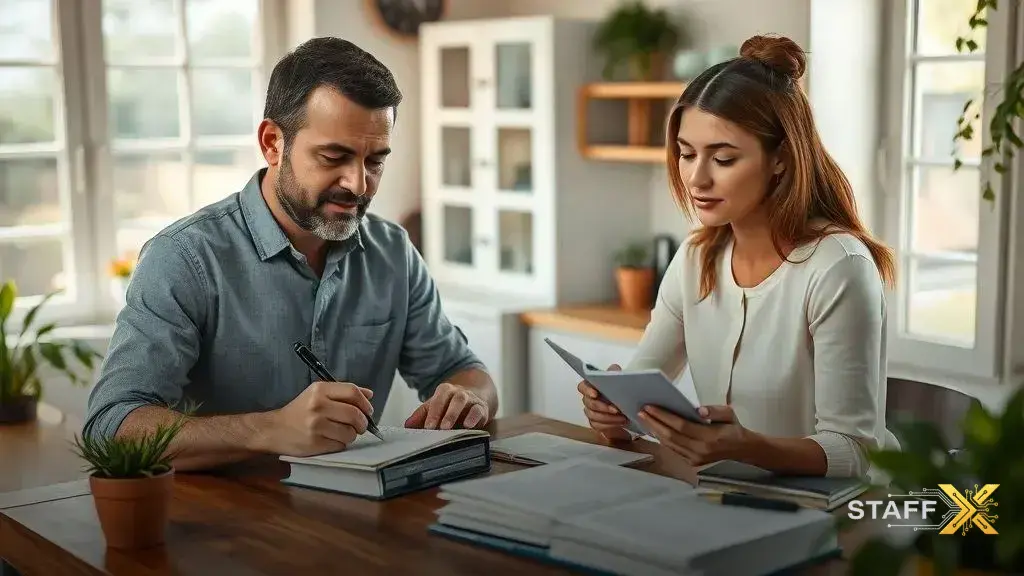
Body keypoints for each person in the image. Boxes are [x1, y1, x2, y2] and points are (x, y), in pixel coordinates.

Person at [83, 37, 498, 472]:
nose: (358, 184)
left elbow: (466, 372)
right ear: (272, 143)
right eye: (333, 156)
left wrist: (468, 398)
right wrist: (269, 429)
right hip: (221, 526)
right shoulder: (184, 258)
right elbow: (110, 428)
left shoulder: (393, 251)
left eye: (375, 161)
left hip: (359, 517)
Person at [579, 35, 899, 478]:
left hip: (843, 515)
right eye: (686, 154)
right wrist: (613, 412)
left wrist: (749, 447)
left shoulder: (838, 267)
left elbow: (856, 452)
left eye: (724, 159)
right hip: (730, 498)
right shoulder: (695, 258)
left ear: (780, 159)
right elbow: (642, 395)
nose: (696, 178)